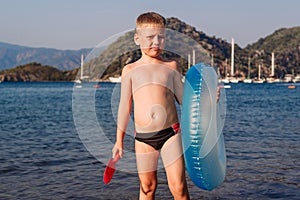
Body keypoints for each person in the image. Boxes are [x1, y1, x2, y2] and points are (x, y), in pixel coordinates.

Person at [112, 12, 190, 199]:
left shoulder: (171, 67)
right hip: (143, 139)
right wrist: (119, 141)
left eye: (161, 37)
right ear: (137, 39)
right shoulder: (130, 70)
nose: (156, 42)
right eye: (150, 37)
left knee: (178, 187)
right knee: (147, 187)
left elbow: (186, 102)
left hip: (170, 133)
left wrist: (209, 100)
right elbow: (125, 107)